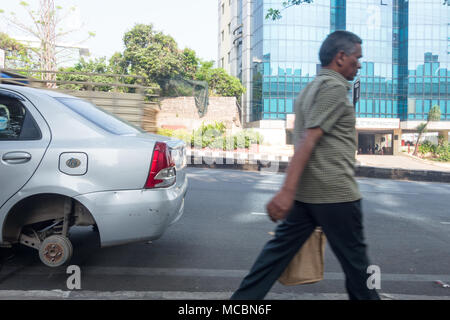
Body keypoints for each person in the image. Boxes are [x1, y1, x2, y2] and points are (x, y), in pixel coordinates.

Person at [230, 31, 380, 300]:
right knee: (359, 268)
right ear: (340, 57)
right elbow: (309, 139)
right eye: (357, 58)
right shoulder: (333, 88)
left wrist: (292, 191)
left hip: (307, 196)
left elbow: (306, 140)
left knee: (272, 259)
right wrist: (286, 191)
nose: (359, 64)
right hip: (336, 196)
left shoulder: (311, 88)